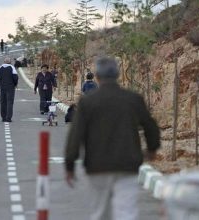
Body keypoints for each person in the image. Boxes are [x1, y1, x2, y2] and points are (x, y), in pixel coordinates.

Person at [64, 57, 160, 220]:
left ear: (97, 76)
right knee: (126, 212)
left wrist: (69, 165)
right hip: (127, 165)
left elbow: (76, 134)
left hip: (97, 166)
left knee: (100, 213)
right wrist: (152, 149)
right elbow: (150, 126)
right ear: (117, 75)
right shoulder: (133, 99)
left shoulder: (88, 102)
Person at [0, 57, 18, 122]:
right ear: (10, 62)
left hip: (2, 88)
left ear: (4, 62)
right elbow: (15, 77)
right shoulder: (12, 67)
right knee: (10, 102)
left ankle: (3, 117)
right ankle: (8, 118)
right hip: (10, 88)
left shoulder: (0, 68)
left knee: (3, 102)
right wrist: (15, 84)